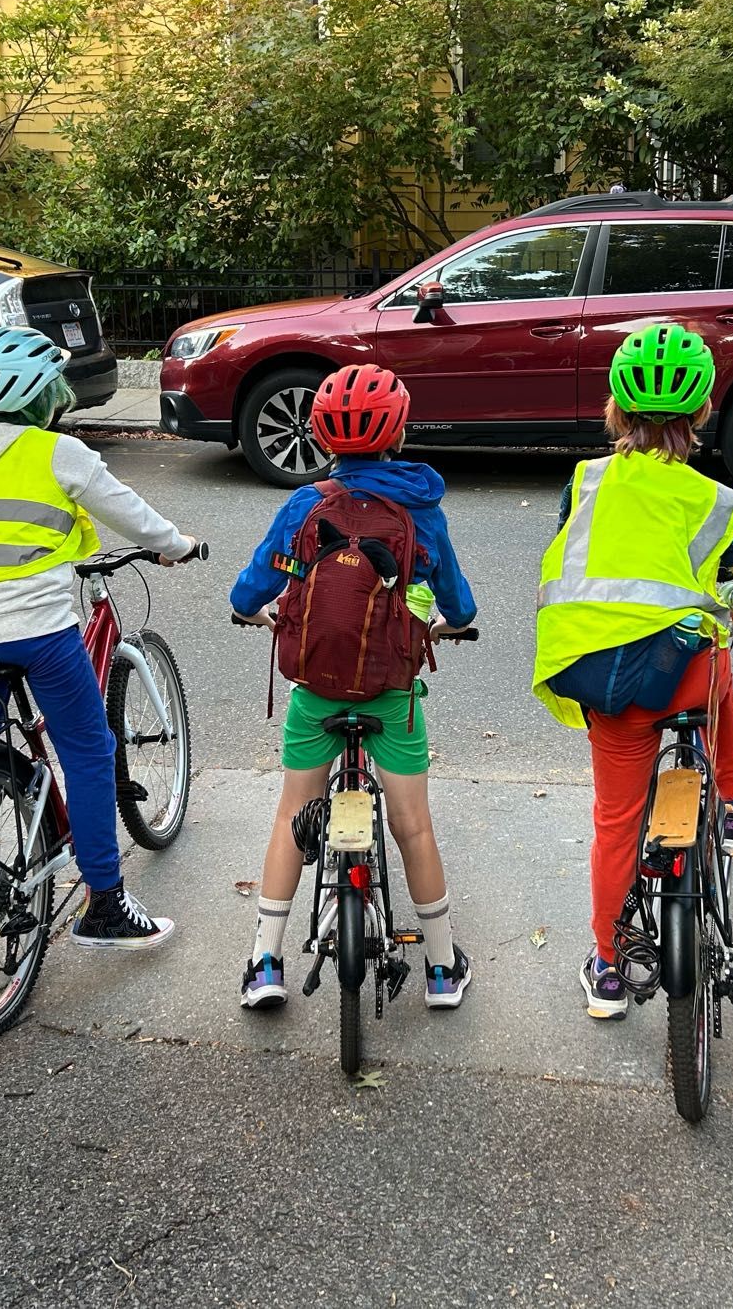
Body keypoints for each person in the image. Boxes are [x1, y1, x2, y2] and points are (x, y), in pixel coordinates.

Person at [532, 325, 733, 1022]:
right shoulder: (710, 501)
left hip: (598, 677)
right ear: (705, 411)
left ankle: (608, 969)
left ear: (615, 412)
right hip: (679, 678)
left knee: (617, 822)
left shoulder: (585, 481)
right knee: (715, 650)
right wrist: (731, 603)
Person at [0, 326, 201, 949]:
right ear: (39, 394)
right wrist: (176, 546)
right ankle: (104, 904)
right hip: (37, 629)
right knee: (89, 751)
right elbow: (130, 513)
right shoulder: (57, 451)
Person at [230, 364, 478, 1012]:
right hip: (390, 693)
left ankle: (264, 963)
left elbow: (248, 591)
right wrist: (444, 623)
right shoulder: (420, 510)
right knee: (413, 827)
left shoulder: (304, 506)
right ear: (398, 431)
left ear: (320, 435)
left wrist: (261, 609)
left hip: (315, 690)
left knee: (291, 815)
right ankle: (443, 969)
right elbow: (462, 604)